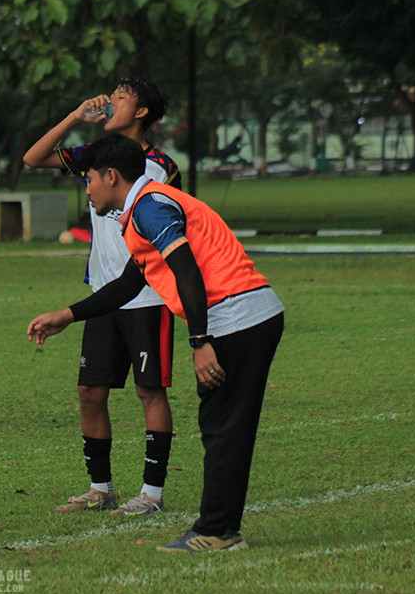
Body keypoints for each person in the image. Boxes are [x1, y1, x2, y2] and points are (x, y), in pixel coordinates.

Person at [27, 132, 284, 552]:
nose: (87, 188)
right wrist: (68, 316)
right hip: (245, 316)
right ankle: (219, 528)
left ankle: (217, 532)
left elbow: (187, 272)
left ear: (111, 176)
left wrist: (200, 341)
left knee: (222, 427)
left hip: (238, 318)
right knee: (223, 427)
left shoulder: (150, 208)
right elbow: (130, 283)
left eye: (89, 178)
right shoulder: (141, 210)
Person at [22, 78, 181, 515]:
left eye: (122, 98)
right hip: (102, 296)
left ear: (143, 111)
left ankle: (151, 495)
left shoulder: (161, 166)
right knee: (90, 392)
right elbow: (33, 158)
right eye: (110, 97)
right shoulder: (95, 155)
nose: (111, 103)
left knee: (151, 392)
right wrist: (76, 116)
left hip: (148, 295)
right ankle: (100, 488)